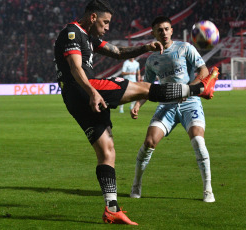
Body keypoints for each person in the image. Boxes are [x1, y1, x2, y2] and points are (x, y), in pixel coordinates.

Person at [54, 0, 218, 225]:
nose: (107, 27)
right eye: (105, 22)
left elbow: (119, 52)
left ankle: (111, 209)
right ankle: (199, 88)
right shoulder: (72, 33)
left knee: (107, 152)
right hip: (85, 89)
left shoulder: (89, 37)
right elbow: (75, 68)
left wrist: (145, 47)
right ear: (93, 17)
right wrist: (92, 91)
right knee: (146, 88)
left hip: (76, 100)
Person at [130, 16, 218, 202]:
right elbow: (147, 86)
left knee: (198, 141)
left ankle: (208, 189)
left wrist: (189, 88)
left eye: (166, 29)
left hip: (190, 102)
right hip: (166, 104)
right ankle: (136, 184)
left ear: (171, 30)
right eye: (159, 30)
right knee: (149, 143)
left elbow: (203, 71)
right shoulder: (152, 59)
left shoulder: (185, 48)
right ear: (153, 33)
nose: (163, 32)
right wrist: (138, 103)